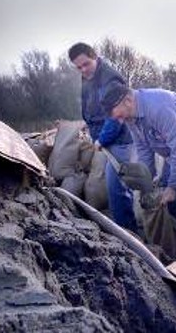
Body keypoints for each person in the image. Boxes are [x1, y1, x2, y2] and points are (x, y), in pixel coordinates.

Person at [100, 83, 176, 260]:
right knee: (166, 199)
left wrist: (172, 186)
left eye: (119, 115)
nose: (119, 121)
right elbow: (144, 150)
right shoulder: (130, 117)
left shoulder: (158, 107)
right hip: (175, 149)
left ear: (128, 100)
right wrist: (146, 185)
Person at [68, 43, 137, 232]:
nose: (83, 70)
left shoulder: (109, 79)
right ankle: (128, 229)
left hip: (120, 140)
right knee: (119, 187)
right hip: (108, 140)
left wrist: (101, 139)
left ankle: (128, 234)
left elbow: (116, 116)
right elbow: (91, 107)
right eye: (79, 67)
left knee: (116, 189)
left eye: (86, 64)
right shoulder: (88, 77)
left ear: (95, 57)